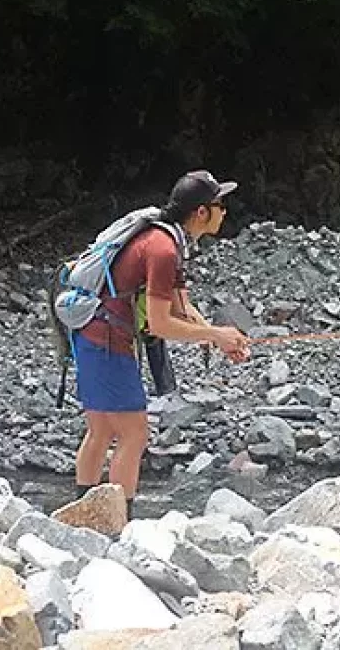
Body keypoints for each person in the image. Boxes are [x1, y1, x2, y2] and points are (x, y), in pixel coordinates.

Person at [71, 170, 251, 517]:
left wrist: (219, 337)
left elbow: (180, 306)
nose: (224, 212)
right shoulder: (165, 249)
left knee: (102, 430)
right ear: (202, 212)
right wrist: (216, 335)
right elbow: (160, 322)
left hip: (91, 335)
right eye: (220, 205)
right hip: (107, 341)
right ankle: (117, 523)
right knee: (134, 434)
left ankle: (84, 516)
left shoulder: (170, 240)